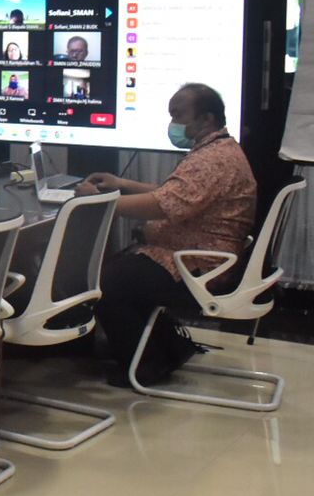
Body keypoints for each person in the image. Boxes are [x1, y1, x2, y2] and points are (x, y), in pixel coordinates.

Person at [78, 84, 256, 385]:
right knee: (121, 269)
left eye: (179, 115)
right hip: (199, 255)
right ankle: (161, 348)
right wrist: (123, 183)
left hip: (195, 263)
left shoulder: (212, 161)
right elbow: (176, 193)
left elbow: (162, 204)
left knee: (105, 282)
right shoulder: (217, 149)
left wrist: (97, 201)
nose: (173, 123)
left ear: (207, 119)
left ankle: (146, 365)